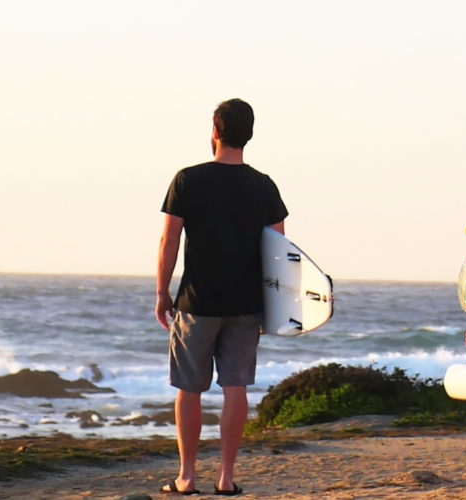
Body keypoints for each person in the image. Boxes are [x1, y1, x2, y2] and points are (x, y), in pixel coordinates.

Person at [153, 98, 287, 496]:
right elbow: (279, 251)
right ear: (248, 135)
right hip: (246, 306)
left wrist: (162, 292)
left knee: (189, 390)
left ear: (215, 131)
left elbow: (169, 239)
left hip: (196, 304)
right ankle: (226, 479)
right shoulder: (264, 186)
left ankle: (187, 477)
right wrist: (274, 308)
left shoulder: (188, 180)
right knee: (235, 389)